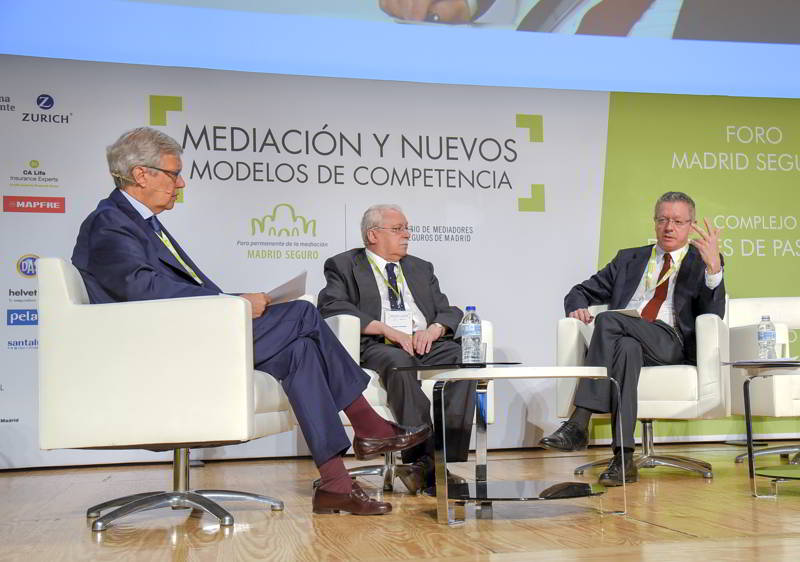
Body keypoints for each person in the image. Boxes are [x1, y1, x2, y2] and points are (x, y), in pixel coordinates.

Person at [71, 127, 431, 516]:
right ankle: (368, 424)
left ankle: (335, 484)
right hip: (160, 346)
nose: (182, 183)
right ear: (141, 174)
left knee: (300, 350)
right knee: (303, 313)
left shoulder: (141, 223)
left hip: (180, 333)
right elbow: (141, 289)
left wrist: (236, 300)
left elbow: (165, 289)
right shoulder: (110, 222)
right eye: (174, 174)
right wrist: (234, 303)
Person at [539, 191, 724, 486]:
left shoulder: (701, 261)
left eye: (678, 221)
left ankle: (579, 421)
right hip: (629, 337)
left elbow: (714, 315)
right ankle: (624, 459)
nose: (669, 227)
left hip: (670, 341)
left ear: (691, 225)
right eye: (662, 220)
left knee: (608, 319)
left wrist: (714, 270)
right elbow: (580, 291)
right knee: (626, 348)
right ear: (654, 222)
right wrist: (577, 307)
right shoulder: (629, 259)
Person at [317, 204, 475, 494]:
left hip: (424, 342)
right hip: (379, 344)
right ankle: (421, 463)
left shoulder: (420, 267)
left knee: (465, 360)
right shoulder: (343, 265)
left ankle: (443, 458)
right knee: (399, 361)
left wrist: (435, 329)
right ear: (373, 235)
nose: (407, 234)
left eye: (407, 228)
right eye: (398, 229)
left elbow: (447, 309)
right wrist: (386, 329)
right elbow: (332, 306)